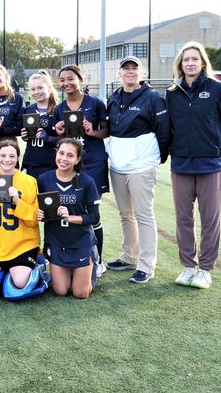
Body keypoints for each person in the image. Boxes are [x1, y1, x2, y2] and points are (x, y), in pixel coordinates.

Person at [166, 42, 221, 289]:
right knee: (183, 219)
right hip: (181, 165)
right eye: (186, 59)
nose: (190, 63)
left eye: (195, 59)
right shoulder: (172, 92)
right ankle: (188, 266)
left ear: (203, 62)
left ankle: (205, 269)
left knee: (210, 220)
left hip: (210, 165)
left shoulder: (218, 89)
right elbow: (170, 128)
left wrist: (215, 150)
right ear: (180, 64)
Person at [105, 56, 171, 284]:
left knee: (144, 215)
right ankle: (129, 257)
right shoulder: (113, 98)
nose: (130, 72)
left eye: (135, 69)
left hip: (142, 167)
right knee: (125, 214)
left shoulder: (152, 98)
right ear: (119, 73)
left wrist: (156, 159)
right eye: (126, 69)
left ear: (141, 73)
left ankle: (146, 265)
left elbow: (164, 132)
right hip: (118, 167)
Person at [53, 64, 108, 277]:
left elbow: (106, 132)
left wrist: (92, 131)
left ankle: (98, 260)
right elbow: (62, 142)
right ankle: (75, 258)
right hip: (70, 166)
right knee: (71, 210)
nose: (66, 83)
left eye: (70, 79)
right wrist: (58, 132)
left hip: (93, 163)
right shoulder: (60, 108)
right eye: (62, 80)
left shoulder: (95, 104)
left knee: (92, 215)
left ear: (80, 79)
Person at [37, 138, 101, 299]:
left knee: (80, 294)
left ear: (77, 159)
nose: (64, 158)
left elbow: (94, 217)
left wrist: (71, 217)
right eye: (61, 153)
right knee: (61, 291)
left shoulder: (86, 181)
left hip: (80, 241)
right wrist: (40, 215)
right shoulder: (44, 179)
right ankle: (73, 272)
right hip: (57, 241)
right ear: (56, 153)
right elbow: (44, 212)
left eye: (70, 155)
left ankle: (92, 263)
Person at [0, 139, 40, 289]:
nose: (7, 160)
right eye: (3, 155)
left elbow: (34, 220)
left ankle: (37, 265)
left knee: (20, 282)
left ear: (18, 157)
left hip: (22, 245)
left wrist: (18, 201)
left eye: (12, 156)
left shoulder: (29, 181)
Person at [21, 70, 59, 179]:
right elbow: (28, 137)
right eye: (33, 89)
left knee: (47, 195)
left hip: (50, 163)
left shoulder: (58, 110)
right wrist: (24, 136)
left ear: (49, 88)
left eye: (40, 88)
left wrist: (47, 138)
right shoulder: (28, 110)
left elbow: (65, 139)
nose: (36, 92)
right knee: (29, 195)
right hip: (30, 161)